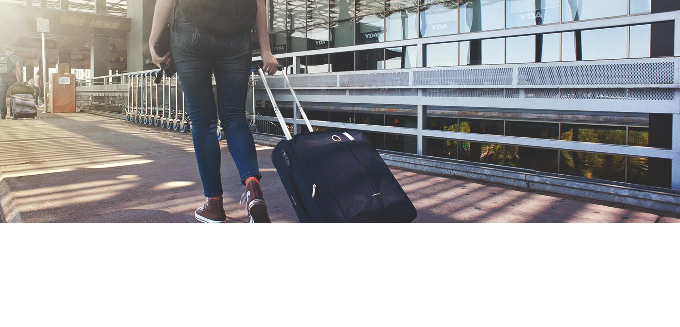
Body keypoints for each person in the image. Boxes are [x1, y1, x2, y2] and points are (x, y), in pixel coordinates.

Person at [149, 0, 279, 223]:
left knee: (203, 121)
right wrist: (266, 50)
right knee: (235, 116)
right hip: (236, 35)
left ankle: (214, 205)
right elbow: (259, 3)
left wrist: (152, 40)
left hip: (191, 29)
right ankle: (253, 189)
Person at [0, 44, 23, 120]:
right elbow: (18, 70)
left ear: (4, 50)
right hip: (12, 79)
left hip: (1, 79)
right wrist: (19, 81)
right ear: (12, 50)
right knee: (14, 96)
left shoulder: (1, 56)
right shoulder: (15, 57)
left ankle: (2, 115)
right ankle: (14, 113)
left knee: (1, 97)